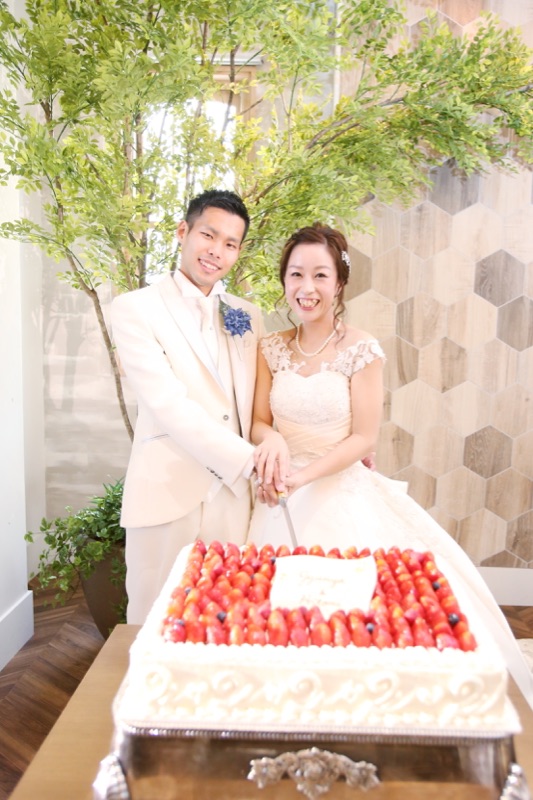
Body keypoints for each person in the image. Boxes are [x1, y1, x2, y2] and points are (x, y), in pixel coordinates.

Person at [247, 222, 533, 710]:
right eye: (296, 274)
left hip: (334, 488)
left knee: (354, 614)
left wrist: (301, 478)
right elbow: (258, 421)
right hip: (277, 496)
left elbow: (364, 438)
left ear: (340, 283)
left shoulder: (361, 348)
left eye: (320, 275)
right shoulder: (270, 347)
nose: (306, 287)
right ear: (284, 280)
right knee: (275, 615)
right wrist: (271, 440)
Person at [111, 189, 264, 623]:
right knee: (152, 623)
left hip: (233, 500)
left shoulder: (248, 315)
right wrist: (248, 461)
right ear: (183, 231)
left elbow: (261, 402)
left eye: (230, 243)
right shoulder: (134, 308)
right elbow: (167, 403)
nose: (216, 251)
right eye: (208, 235)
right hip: (166, 493)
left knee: (225, 625)